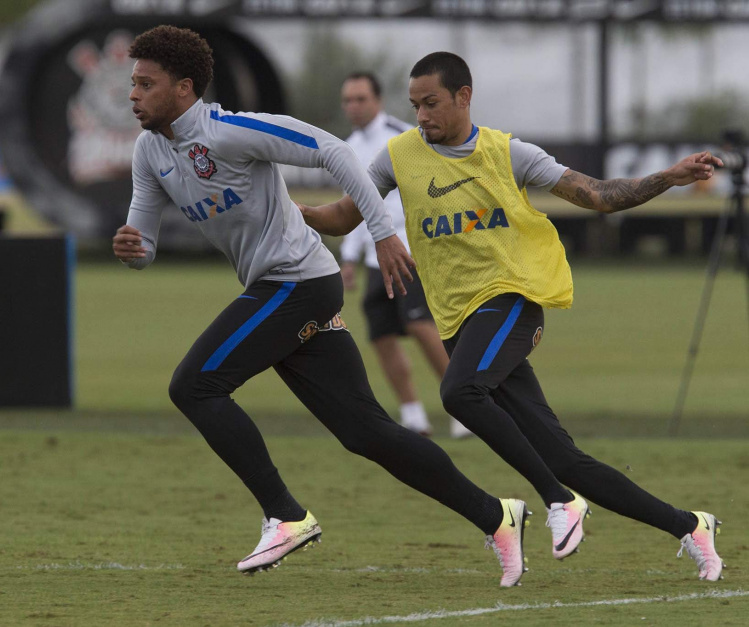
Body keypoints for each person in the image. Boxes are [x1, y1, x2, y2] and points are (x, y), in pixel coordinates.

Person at [113, 26, 531, 587]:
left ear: (184, 87)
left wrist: (382, 232)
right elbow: (143, 246)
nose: (133, 95)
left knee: (194, 385)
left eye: (146, 83)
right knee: (366, 433)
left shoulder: (233, 131)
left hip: (298, 283)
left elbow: (333, 150)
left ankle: (285, 515)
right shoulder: (149, 151)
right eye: (132, 84)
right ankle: (497, 516)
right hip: (281, 287)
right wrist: (132, 250)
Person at [299, 51, 726, 581]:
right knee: (565, 457)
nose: (422, 116)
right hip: (459, 321)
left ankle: (556, 500)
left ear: (464, 96)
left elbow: (598, 195)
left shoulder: (509, 153)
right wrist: (292, 211)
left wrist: (670, 176)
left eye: (431, 103)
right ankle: (691, 527)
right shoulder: (397, 157)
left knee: (458, 394)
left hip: (514, 300)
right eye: (414, 106)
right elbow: (342, 216)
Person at [338, 72, 470, 438]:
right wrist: (349, 257)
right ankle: (413, 415)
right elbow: (354, 208)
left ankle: (464, 407)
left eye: (360, 99)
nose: (353, 106)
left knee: (420, 324)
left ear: (377, 100)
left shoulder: (403, 137)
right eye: (347, 100)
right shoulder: (346, 146)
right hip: (373, 259)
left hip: (410, 248)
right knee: (380, 333)